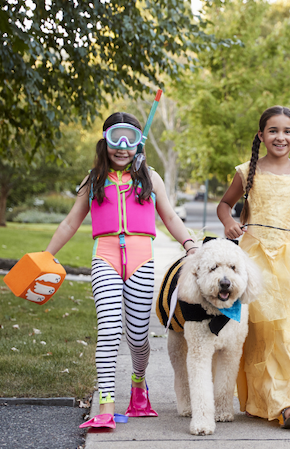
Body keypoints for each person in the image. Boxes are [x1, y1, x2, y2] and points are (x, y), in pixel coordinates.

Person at [45, 112, 198, 429]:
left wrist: (190, 244)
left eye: (130, 138)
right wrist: (47, 255)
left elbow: (169, 217)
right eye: (116, 137)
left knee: (139, 337)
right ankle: (105, 404)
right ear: (105, 141)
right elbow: (71, 221)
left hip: (142, 261)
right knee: (108, 330)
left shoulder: (150, 178)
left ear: (139, 143)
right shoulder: (93, 180)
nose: (123, 146)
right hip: (105, 258)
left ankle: (139, 386)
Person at [217, 106, 290, 429]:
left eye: (287, 131)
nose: (280, 137)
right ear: (261, 135)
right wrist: (228, 224)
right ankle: (262, 401)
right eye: (273, 131)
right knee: (261, 333)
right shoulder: (246, 172)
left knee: (288, 332)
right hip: (255, 262)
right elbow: (224, 205)